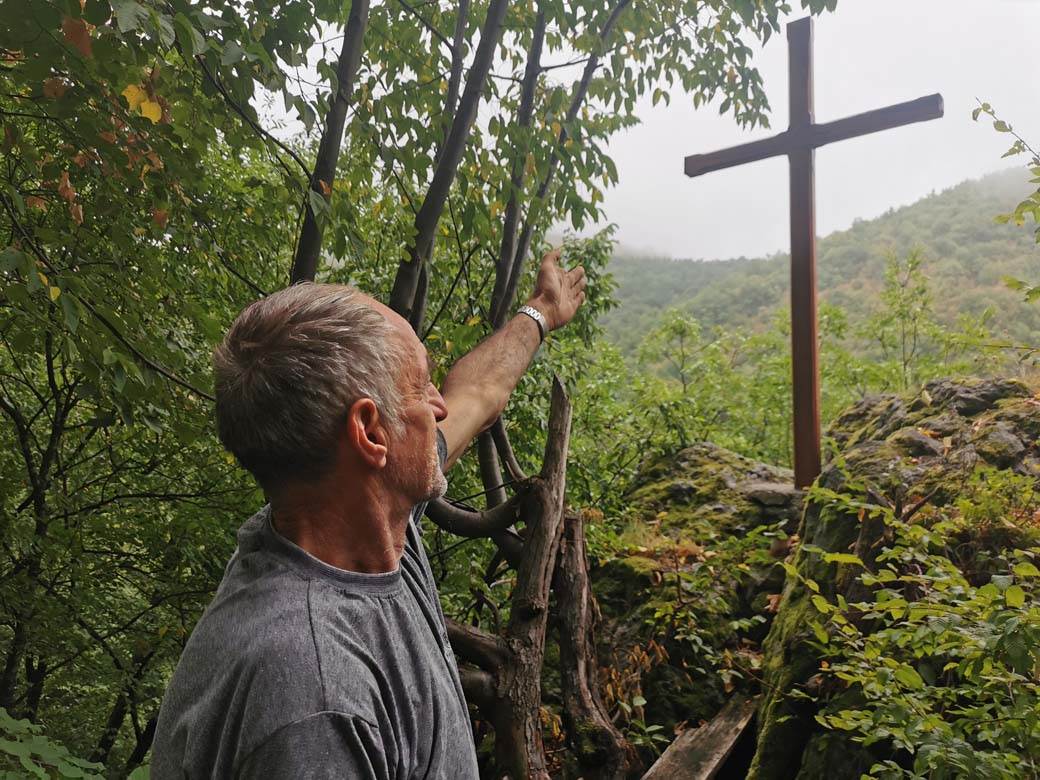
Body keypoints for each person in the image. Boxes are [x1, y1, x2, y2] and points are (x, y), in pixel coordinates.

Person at [151, 249, 587, 778]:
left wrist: (541, 310)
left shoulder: (374, 521)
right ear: (371, 434)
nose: (439, 405)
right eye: (421, 384)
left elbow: (477, 393)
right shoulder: (315, 698)